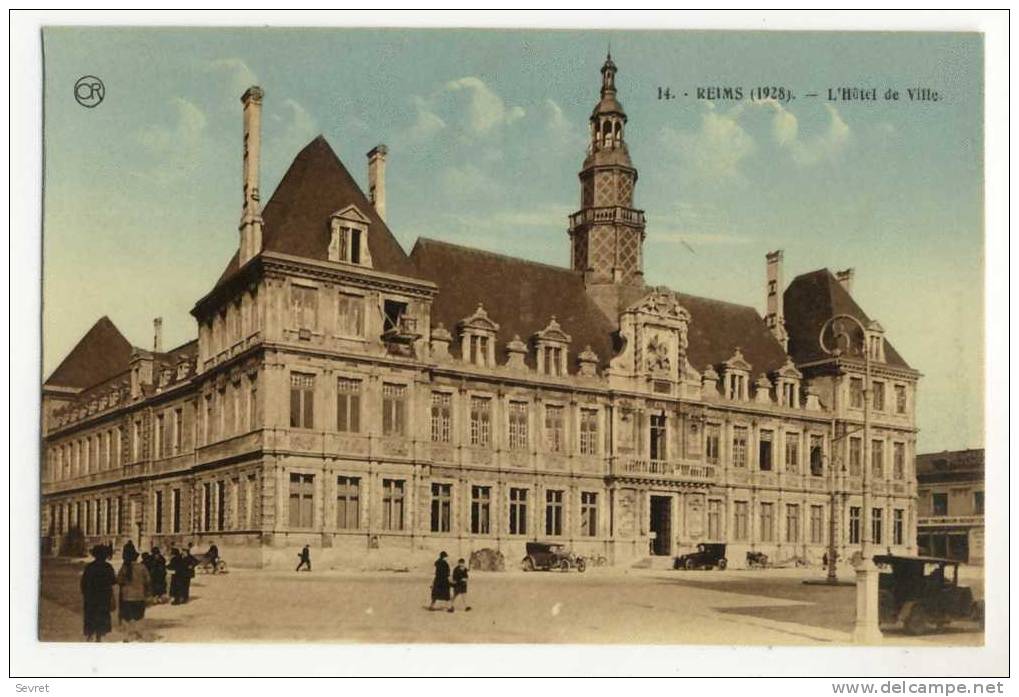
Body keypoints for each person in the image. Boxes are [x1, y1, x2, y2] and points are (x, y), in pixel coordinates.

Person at [80, 545, 116, 641]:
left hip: (91, 597)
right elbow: (113, 581)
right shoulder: (108, 567)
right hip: (104, 597)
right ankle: (99, 637)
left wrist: (86, 594)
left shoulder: (89, 567)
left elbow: (83, 583)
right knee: (101, 616)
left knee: (90, 615)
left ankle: (90, 634)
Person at [116, 545, 150, 640]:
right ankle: (138, 634)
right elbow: (148, 580)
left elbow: (118, 580)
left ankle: (127, 636)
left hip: (126, 597)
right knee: (139, 616)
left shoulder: (124, 568)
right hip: (139, 596)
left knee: (127, 617)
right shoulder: (142, 567)